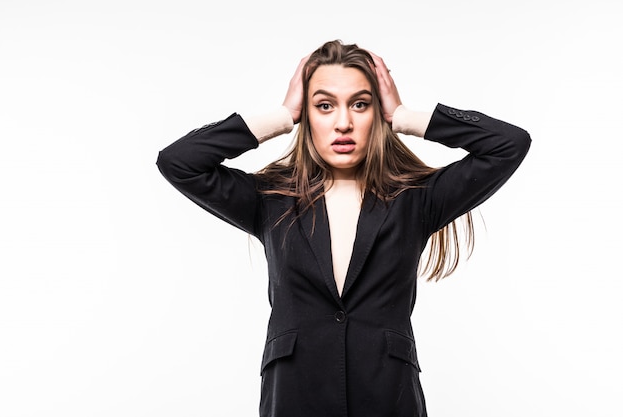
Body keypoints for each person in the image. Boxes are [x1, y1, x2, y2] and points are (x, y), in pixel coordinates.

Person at [156, 39, 531, 417]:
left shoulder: (416, 199)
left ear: (376, 111)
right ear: (308, 115)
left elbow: (509, 144)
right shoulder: (270, 198)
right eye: (324, 106)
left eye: (360, 104)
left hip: (387, 395)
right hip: (294, 396)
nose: (343, 123)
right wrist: (283, 115)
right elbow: (179, 161)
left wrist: (404, 116)